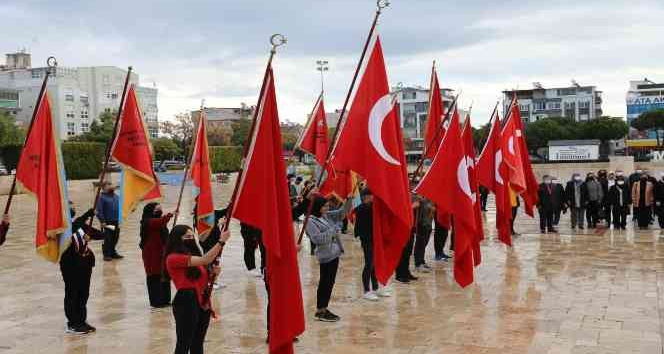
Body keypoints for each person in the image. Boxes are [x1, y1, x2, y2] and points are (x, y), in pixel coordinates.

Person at [165, 224, 230, 354]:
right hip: (186, 301)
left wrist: (214, 275)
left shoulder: (195, 260)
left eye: (191, 236)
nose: (190, 239)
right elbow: (206, 259)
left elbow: (205, 280)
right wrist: (221, 242)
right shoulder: (173, 258)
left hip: (202, 302)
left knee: (197, 343)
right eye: (186, 236)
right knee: (183, 343)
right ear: (177, 239)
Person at [305, 195, 352, 322]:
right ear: (317, 207)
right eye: (325, 206)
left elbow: (342, 213)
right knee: (325, 282)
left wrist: (349, 200)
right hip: (325, 255)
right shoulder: (310, 221)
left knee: (330, 282)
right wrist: (334, 229)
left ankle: (324, 308)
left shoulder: (324, 215)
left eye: (327, 206)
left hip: (334, 253)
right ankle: (320, 311)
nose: (327, 208)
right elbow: (317, 239)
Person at [60, 202, 103, 334]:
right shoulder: (62, 226)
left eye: (74, 207)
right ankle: (72, 323)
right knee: (73, 293)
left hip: (85, 264)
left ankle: (81, 321)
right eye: (70, 208)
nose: (73, 209)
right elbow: (73, 227)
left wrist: (107, 231)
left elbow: (95, 233)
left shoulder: (79, 223)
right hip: (71, 265)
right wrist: (87, 214)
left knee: (83, 293)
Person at [354, 188, 391, 301]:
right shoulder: (362, 208)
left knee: (374, 264)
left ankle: (375, 288)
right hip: (367, 239)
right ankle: (366, 290)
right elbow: (368, 214)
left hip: (374, 238)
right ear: (366, 196)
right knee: (369, 264)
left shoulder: (372, 207)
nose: (373, 198)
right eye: (372, 195)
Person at [139, 203, 174, 308]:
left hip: (162, 254)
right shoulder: (147, 221)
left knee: (164, 276)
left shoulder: (159, 223)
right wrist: (170, 215)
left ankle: (165, 299)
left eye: (160, 208)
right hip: (152, 255)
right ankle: (156, 301)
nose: (160, 211)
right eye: (157, 209)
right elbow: (160, 222)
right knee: (154, 277)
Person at [96, 181, 122, 261]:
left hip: (116, 220)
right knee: (108, 238)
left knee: (115, 237)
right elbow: (99, 210)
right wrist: (102, 221)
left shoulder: (116, 196)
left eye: (111, 184)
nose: (111, 186)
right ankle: (106, 254)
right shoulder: (101, 197)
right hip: (107, 221)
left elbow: (121, 206)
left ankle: (112, 252)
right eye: (109, 185)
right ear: (104, 188)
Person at [413, 195, 435, 273]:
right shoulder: (419, 197)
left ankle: (422, 261)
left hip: (428, 223)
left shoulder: (430, 198)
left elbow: (432, 209)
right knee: (420, 244)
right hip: (421, 223)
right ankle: (417, 264)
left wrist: (432, 208)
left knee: (425, 243)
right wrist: (428, 205)